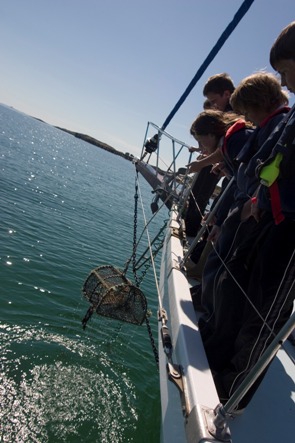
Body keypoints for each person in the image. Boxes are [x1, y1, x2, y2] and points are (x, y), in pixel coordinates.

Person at [199, 22, 295, 409]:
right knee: (245, 290)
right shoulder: (288, 122)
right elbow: (275, 162)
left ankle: (236, 391)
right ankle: (222, 360)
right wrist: (259, 193)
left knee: (264, 309)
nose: (286, 83)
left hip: (289, 228)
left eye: (288, 72)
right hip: (268, 217)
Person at [197, 71, 289, 314]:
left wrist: (243, 205)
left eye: (248, 112)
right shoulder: (266, 128)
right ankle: (209, 304)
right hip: (249, 204)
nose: (247, 119)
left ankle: (210, 311)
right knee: (224, 259)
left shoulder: (269, 128)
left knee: (224, 260)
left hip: (252, 208)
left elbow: (251, 175)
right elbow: (245, 172)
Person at [184, 74, 235, 237]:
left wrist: (202, 163)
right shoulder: (226, 113)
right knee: (200, 196)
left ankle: (192, 232)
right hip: (222, 164)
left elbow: (225, 146)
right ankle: (192, 229)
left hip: (226, 169)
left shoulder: (235, 114)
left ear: (226, 94)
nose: (213, 105)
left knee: (202, 195)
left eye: (214, 101)